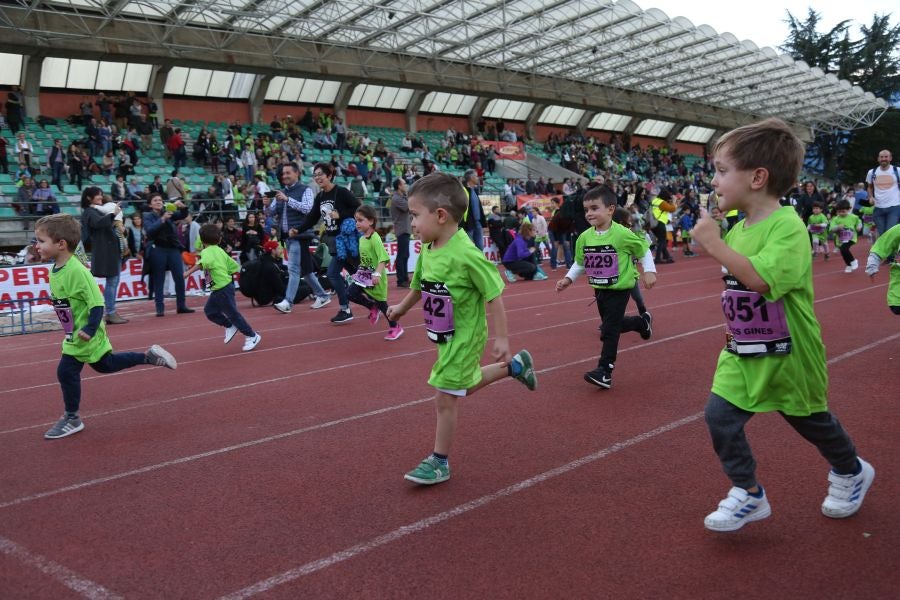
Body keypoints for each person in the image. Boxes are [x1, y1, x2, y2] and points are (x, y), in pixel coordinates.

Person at [691, 117, 874, 533]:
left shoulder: (788, 227)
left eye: (722, 170)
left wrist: (714, 243)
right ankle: (748, 493)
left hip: (790, 352)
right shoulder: (737, 229)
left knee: (810, 420)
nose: (714, 180)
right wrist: (719, 240)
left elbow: (762, 280)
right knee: (719, 417)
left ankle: (850, 470)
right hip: (742, 351)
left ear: (757, 177)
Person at [386, 173, 537, 485]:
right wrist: (401, 308)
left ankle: (439, 461)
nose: (411, 224)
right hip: (443, 333)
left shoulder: (466, 254)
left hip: (466, 335)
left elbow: (494, 293)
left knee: (445, 395)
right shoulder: (428, 247)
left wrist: (502, 337)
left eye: (415, 216)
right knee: (461, 386)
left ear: (440, 216)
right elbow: (419, 284)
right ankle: (516, 367)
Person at [33, 214, 177, 440]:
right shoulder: (56, 268)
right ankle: (147, 357)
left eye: (41, 241)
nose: (36, 245)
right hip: (75, 333)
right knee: (105, 365)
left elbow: (97, 303)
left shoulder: (78, 272)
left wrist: (90, 329)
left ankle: (72, 418)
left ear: (61, 244)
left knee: (66, 371)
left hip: (87, 334)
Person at [556, 185, 655, 389]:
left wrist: (649, 271)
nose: (589, 213)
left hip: (620, 289)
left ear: (610, 209)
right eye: (586, 210)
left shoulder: (622, 234)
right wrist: (568, 279)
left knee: (609, 330)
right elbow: (580, 262)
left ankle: (605, 371)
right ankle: (641, 323)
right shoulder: (584, 237)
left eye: (594, 208)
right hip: (599, 289)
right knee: (613, 325)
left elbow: (643, 250)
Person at [184, 223, 262, 352]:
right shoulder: (219, 250)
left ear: (202, 240)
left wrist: (188, 272)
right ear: (219, 239)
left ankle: (252, 335)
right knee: (210, 311)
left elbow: (204, 263)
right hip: (222, 287)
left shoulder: (207, 252)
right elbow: (233, 266)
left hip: (222, 288)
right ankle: (229, 325)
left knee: (233, 314)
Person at [267, 162, 331, 314]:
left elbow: (308, 208)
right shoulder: (281, 192)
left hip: (300, 235)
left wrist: (288, 199)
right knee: (306, 270)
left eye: (288, 173)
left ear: (297, 174)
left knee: (293, 269)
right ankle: (322, 295)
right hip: (287, 237)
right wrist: (266, 205)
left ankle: (288, 302)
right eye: (283, 174)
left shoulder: (305, 189)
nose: (285, 176)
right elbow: (271, 213)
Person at [344, 205, 404, 340]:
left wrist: (377, 274)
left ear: (370, 221)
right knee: (349, 293)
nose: (357, 223)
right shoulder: (361, 239)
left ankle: (396, 327)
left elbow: (383, 258)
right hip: (364, 276)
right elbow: (365, 260)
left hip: (376, 278)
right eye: (356, 220)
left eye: (360, 220)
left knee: (383, 305)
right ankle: (372, 306)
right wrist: (358, 272)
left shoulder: (375, 238)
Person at [311, 162, 360, 324]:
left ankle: (346, 309)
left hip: (346, 242)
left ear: (330, 175)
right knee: (357, 275)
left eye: (320, 174)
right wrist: (298, 228)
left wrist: (341, 214)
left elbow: (357, 207)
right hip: (334, 243)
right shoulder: (320, 197)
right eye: (315, 174)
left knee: (333, 273)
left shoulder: (341, 192)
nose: (317, 177)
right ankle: (376, 304)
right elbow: (312, 217)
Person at [80, 187, 129, 325]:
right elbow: (99, 223)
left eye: (101, 195)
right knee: (112, 282)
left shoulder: (95, 211)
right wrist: (113, 214)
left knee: (113, 282)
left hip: (111, 251)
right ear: (89, 198)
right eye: (98, 196)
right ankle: (110, 312)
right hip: (106, 252)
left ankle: (110, 312)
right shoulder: (90, 212)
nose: (101, 198)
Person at [143, 193, 196, 317]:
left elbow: (183, 215)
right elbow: (149, 231)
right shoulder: (147, 216)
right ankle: (160, 308)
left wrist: (182, 206)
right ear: (150, 204)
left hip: (172, 249)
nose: (158, 202)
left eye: (160, 200)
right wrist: (162, 219)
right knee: (159, 279)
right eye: (155, 200)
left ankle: (181, 305)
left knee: (179, 277)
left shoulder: (168, 211)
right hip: (158, 248)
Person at [865, 223, 899, 315]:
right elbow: (880, 246)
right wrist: (872, 264)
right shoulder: (897, 230)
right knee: (897, 307)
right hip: (898, 279)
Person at [865, 149, 900, 237]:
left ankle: (891, 251)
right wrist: (870, 197)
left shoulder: (898, 170)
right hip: (878, 207)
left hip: (894, 207)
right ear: (878, 159)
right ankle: (885, 250)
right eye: (881, 157)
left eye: (886, 157)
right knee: (882, 234)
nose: (883, 159)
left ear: (890, 158)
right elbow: (869, 187)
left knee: (890, 232)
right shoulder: (872, 172)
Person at [829, 199, 862, 273]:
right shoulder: (835, 219)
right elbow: (831, 229)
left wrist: (859, 227)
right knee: (843, 252)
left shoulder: (853, 217)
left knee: (844, 249)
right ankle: (848, 265)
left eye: (843, 211)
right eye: (839, 212)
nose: (841, 213)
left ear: (849, 209)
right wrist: (837, 227)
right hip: (840, 239)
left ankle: (853, 261)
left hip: (851, 237)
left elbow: (859, 222)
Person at [389, 178, 411, 288]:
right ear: (399, 186)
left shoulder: (400, 197)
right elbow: (408, 206)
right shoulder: (397, 198)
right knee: (402, 255)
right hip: (401, 229)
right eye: (404, 183)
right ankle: (401, 279)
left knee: (405, 255)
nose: (406, 185)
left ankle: (405, 278)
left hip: (404, 229)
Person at [462, 169, 487, 250]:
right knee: (469, 248)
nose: (478, 178)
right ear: (471, 178)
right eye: (476, 176)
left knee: (480, 248)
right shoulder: (463, 190)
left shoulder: (474, 191)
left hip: (477, 223)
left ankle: (479, 262)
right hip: (469, 224)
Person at [649, 189, 676, 264]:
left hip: (652, 223)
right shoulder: (662, 202)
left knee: (661, 240)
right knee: (662, 241)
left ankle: (666, 256)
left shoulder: (654, 200)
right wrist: (673, 201)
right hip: (660, 223)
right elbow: (672, 209)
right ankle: (657, 258)